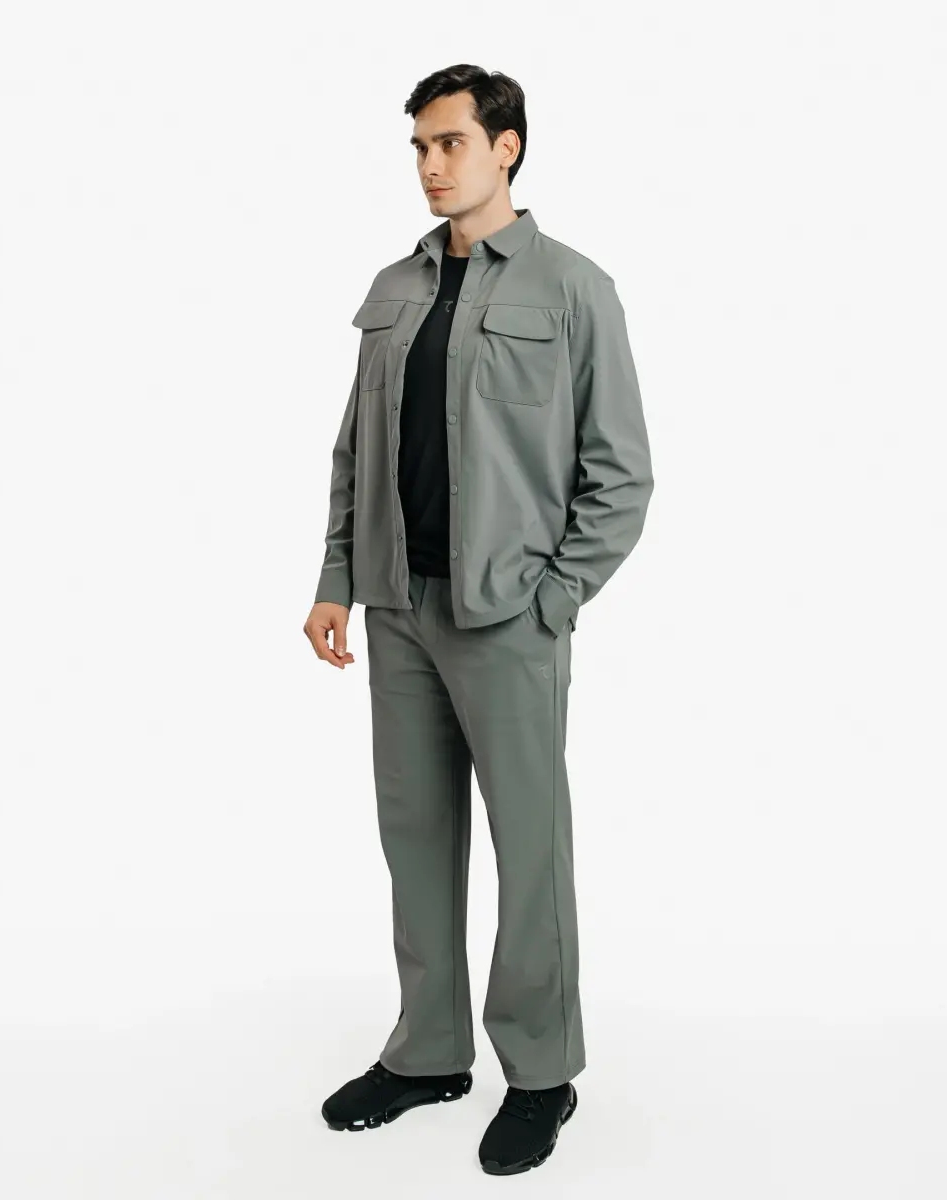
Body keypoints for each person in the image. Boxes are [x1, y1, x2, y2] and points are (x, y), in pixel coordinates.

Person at [304, 62, 654, 1176]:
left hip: (509, 619)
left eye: (450, 142)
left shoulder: (574, 289)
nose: (430, 164)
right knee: (415, 841)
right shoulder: (394, 288)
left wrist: (555, 599)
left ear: (506, 147)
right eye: (419, 146)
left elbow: (621, 475)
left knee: (529, 850)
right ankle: (429, 1053)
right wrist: (335, 579)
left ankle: (542, 1074)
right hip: (398, 609)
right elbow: (355, 452)